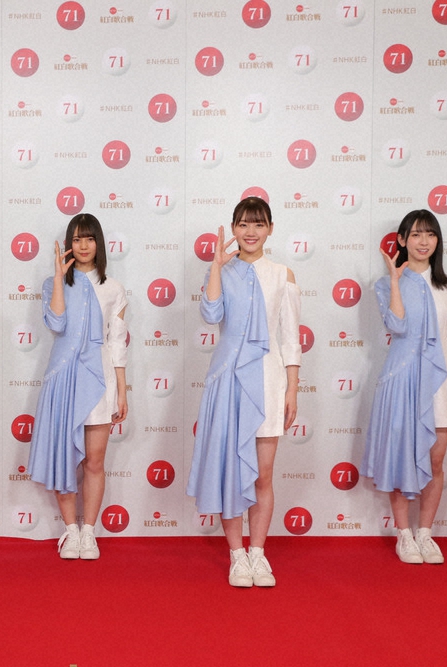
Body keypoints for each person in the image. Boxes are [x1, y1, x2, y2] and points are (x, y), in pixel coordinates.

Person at [187, 197, 301, 587]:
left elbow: (290, 338)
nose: (250, 232)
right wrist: (216, 268)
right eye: (243, 224)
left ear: (270, 229)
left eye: (258, 224)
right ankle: (236, 555)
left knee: (263, 475)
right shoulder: (221, 269)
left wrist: (293, 388)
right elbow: (211, 314)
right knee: (230, 473)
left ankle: (258, 553)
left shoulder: (283, 274)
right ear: (233, 228)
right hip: (227, 381)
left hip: (269, 381)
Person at [362, 209, 447, 565]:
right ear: (401, 240)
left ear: (438, 240)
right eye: (415, 234)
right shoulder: (384, 285)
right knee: (400, 459)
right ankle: (404, 534)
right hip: (400, 379)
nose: (423, 241)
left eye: (430, 234)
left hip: (441, 382)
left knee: (435, 460)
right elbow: (397, 325)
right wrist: (396, 281)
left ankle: (425, 533)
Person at [27, 213, 128, 560]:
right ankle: (70, 531)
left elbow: (117, 343)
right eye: (76, 239)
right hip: (62, 379)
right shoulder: (52, 283)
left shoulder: (113, 288)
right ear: (69, 244)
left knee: (95, 461)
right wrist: (58, 278)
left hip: (99, 379)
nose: (83, 245)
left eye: (89, 238)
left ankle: (89, 532)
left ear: (98, 243)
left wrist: (122, 389)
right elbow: (56, 323)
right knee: (64, 459)